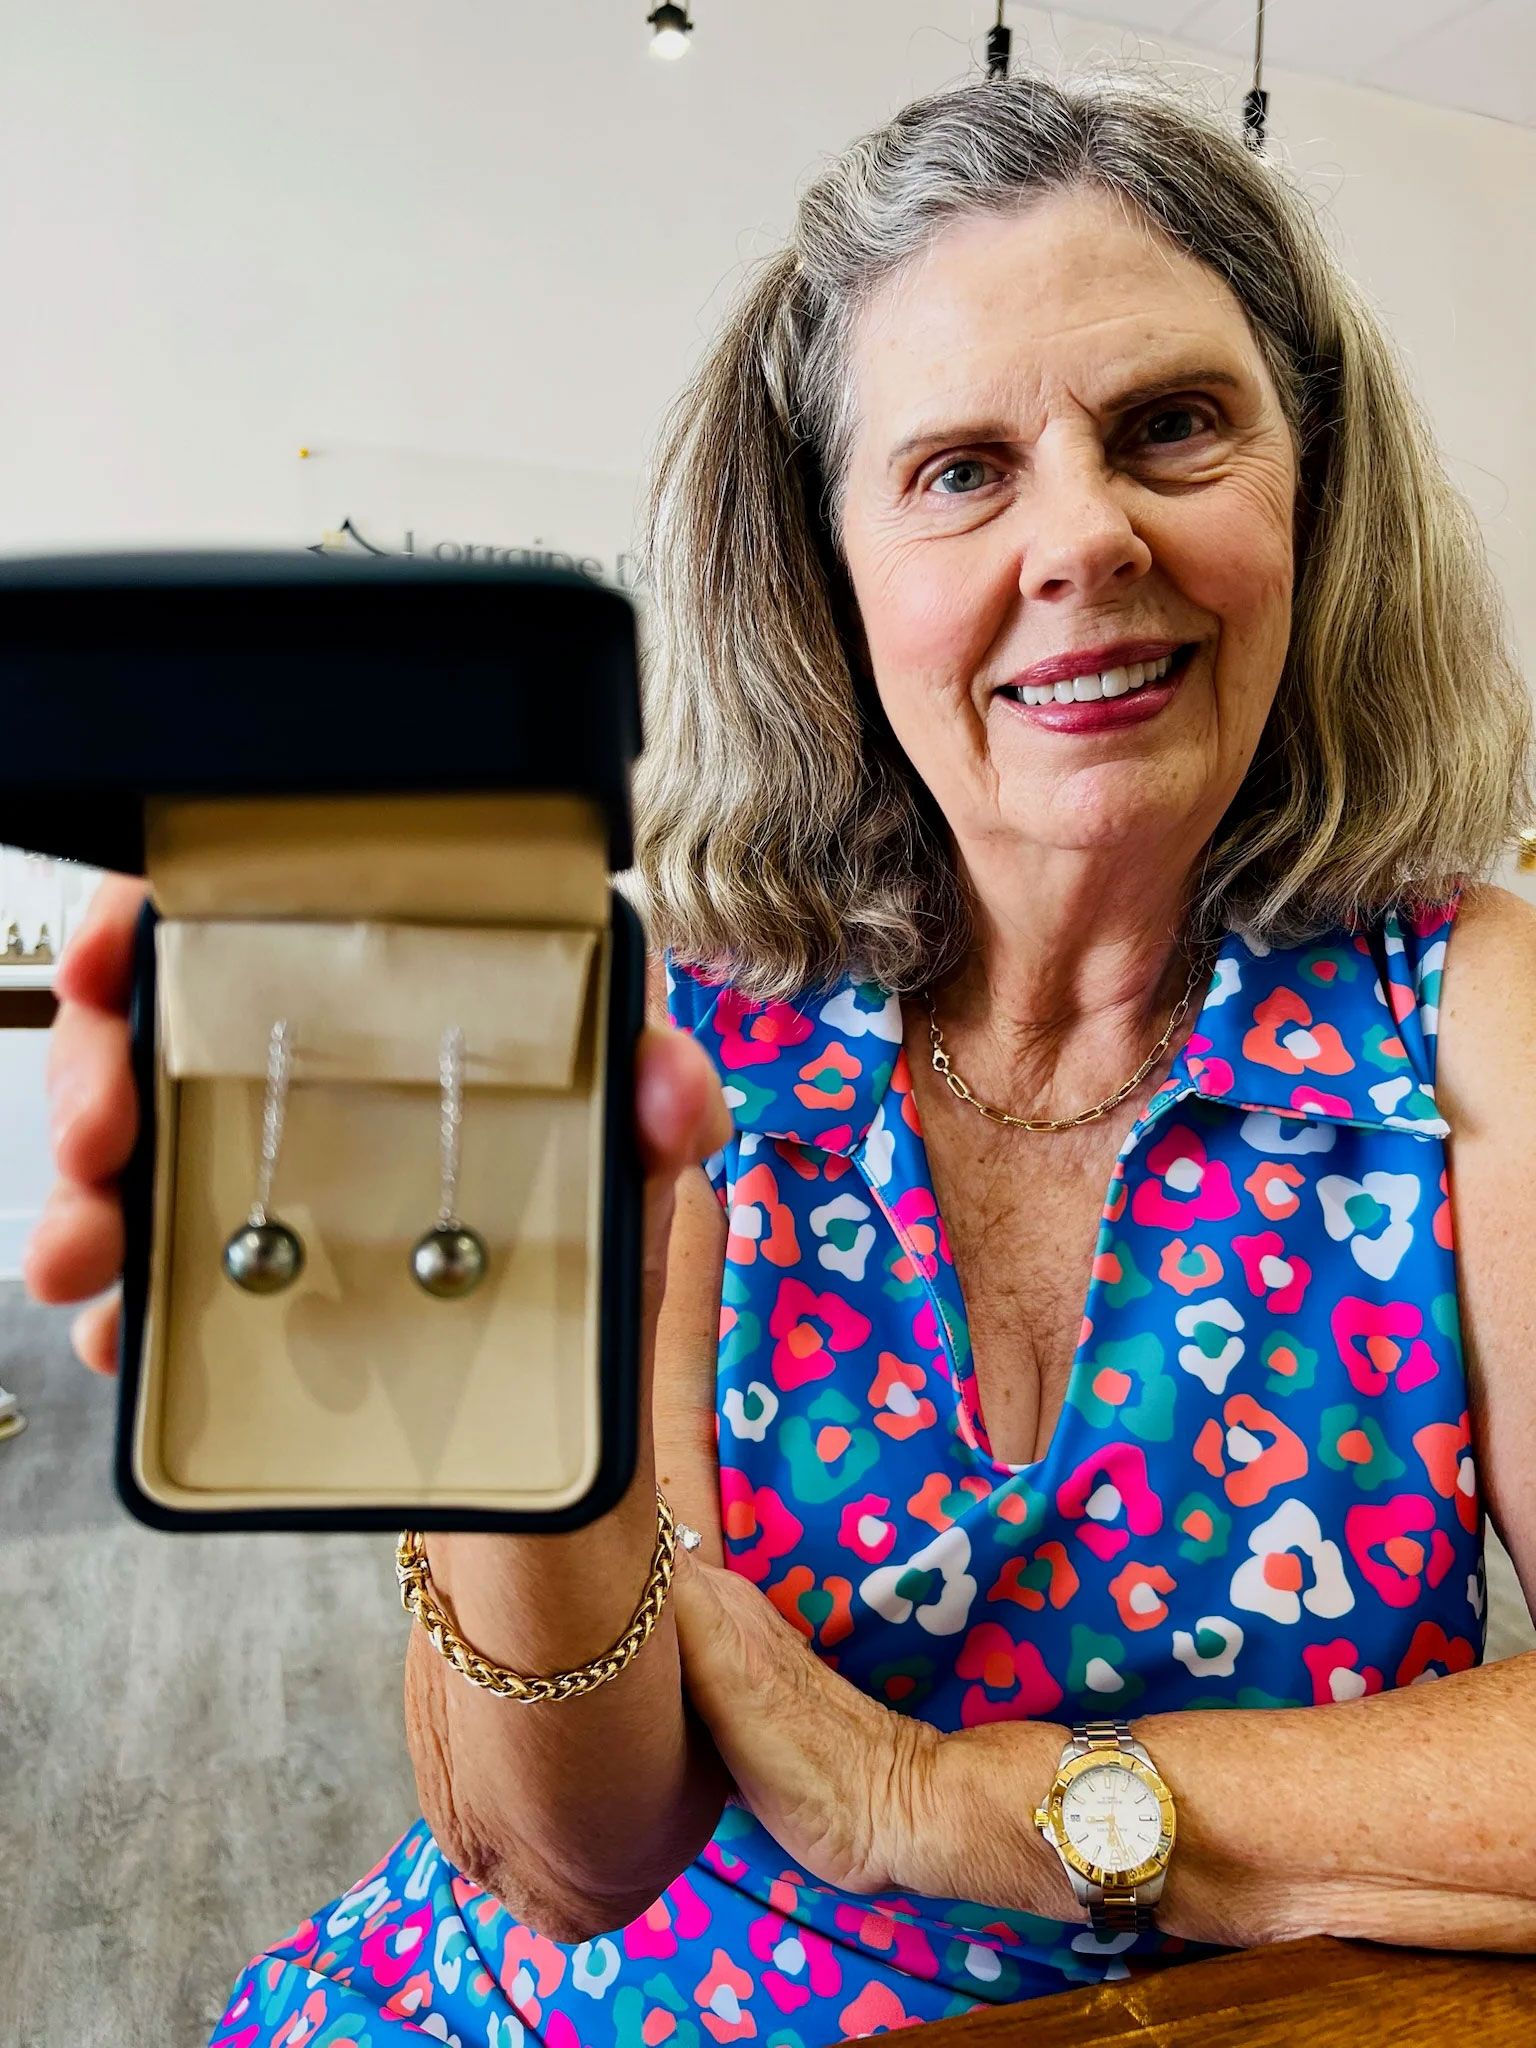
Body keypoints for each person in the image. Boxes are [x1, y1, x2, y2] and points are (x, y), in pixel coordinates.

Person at [27, 69, 1536, 2048]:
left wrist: (943, 1799)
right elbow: (574, 1857)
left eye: (1172, 426)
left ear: (1313, 490)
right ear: (830, 586)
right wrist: (519, 1432)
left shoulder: (1466, 1006)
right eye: (960, 469)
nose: (1082, 533)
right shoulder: (690, 1035)